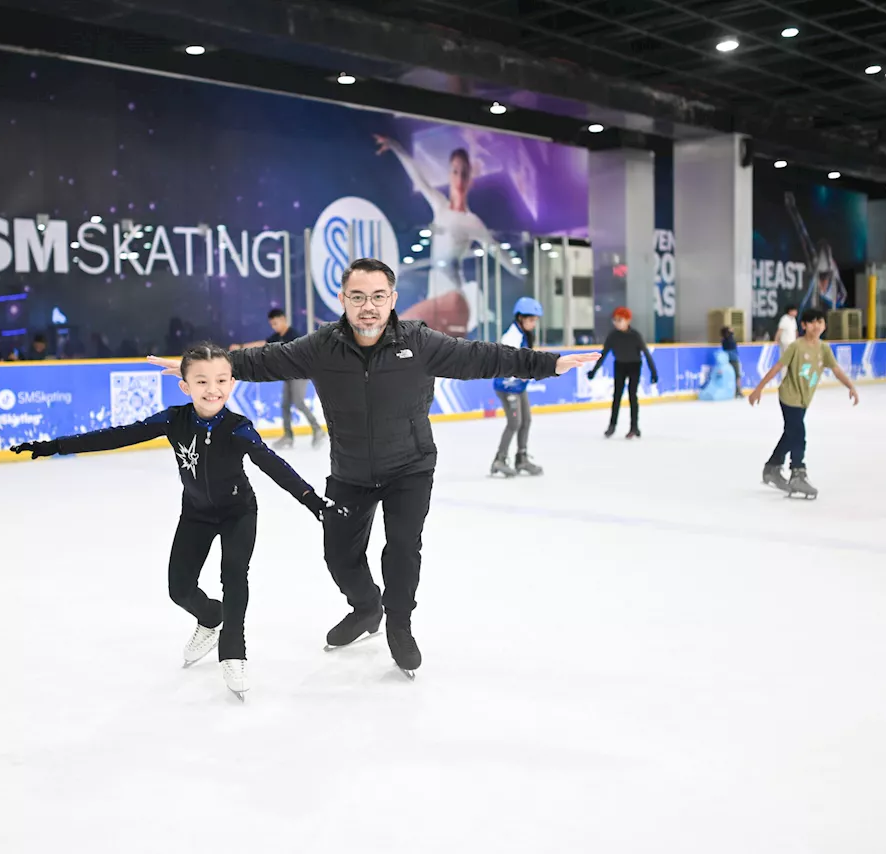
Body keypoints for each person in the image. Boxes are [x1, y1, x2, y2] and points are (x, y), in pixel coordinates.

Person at [148, 258, 595, 675]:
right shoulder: (321, 347)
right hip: (350, 471)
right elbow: (261, 361)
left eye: (378, 296)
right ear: (343, 300)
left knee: (402, 548)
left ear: (392, 299)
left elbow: (484, 356)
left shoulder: (419, 342)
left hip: (410, 466)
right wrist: (202, 367)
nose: (369, 306)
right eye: (358, 296)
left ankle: (399, 624)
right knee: (338, 553)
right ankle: (367, 608)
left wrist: (549, 364)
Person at [9, 344, 345, 699]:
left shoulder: (238, 428)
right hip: (196, 513)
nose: (211, 389)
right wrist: (54, 446)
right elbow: (117, 435)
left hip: (238, 512)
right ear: (185, 386)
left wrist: (313, 503)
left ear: (232, 383)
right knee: (179, 589)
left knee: (234, 574)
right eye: (201, 381)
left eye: (220, 380)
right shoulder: (174, 420)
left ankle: (233, 650)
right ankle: (210, 616)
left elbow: (274, 465)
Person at [374, 135, 517, 337]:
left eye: (464, 173)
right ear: (449, 174)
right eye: (455, 171)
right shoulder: (439, 207)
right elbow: (418, 179)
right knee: (437, 364)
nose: (459, 179)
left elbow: (496, 251)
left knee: (395, 331)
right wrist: (395, 146)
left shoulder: (471, 221)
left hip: (453, 300)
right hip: (437, 299)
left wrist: (521, 272)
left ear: (470, 179)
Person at [749, 308, 859, 499]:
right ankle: (797, 471)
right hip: (789, 396)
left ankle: (772, 467)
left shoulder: (824, 349)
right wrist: (758, 388)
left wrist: (850, 386)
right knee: (799, 433)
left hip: (803, 399)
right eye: (812, 322)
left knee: (791, 433)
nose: (817, 326)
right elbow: (777, 367)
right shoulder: (796, 346)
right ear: (804, 325)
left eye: (820, 322)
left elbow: (836, 369)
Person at [233, 308, 324, 450]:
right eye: (272, 324)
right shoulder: (277, 336)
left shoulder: (293, 335)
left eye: (276, 323)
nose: (274, 326)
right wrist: (241, 347)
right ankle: (288, 436)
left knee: (298, 402)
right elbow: (262, 344)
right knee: (285, 405)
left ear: (283, 319)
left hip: (301, 373)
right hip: (288, 375)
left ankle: (317, 429)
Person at [491, 297, 545, 477]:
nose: (533, 324)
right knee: (514, 423)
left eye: (535, 321)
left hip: (518, 387)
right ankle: (499, 459)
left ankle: (521, 458)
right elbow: (505, 363)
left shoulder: (525, 335)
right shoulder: (511, 337)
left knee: (526, 420)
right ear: (520, 318)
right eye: (531, 320)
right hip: (507, 387)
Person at [588, 307, 658, 439]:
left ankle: (634, 426)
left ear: (627, 320)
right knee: (617, 396)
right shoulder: (613, 336)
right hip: (619, 365)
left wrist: (653, 372)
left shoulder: (635, 336)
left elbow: (646, 354)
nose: (616, 322)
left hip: (634, 366)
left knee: (633, 396)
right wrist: (594, 370)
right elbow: (603, 354)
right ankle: (612, 425)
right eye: (614, 320)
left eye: (619, 320)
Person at [719, 325, 742, 397]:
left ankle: (733, 391)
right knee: (737, 376)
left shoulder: (723, 340)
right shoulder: (730, 339)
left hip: (727, 359)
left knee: (729, 376)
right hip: (733, 359)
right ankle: (738, 391)